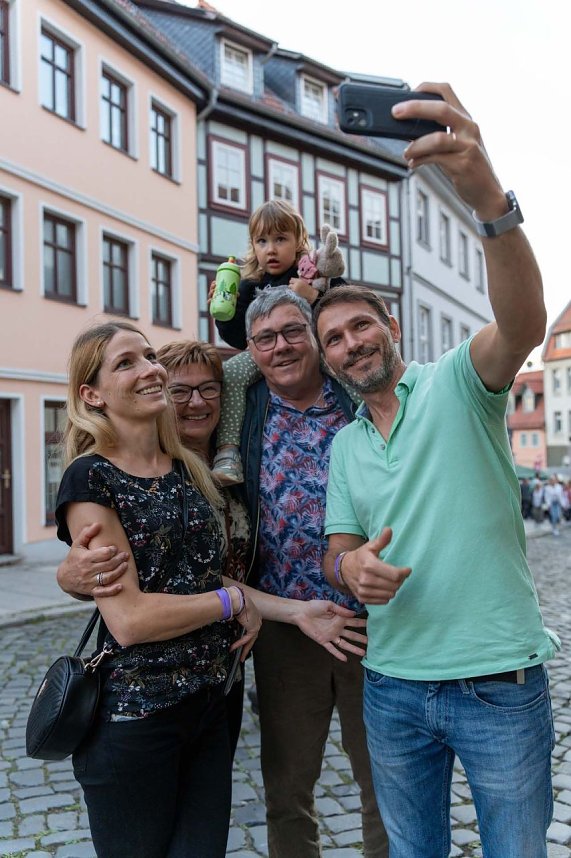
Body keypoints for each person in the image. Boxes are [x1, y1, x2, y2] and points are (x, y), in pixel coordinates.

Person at [314, 83, 561, 858]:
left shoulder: (459, 381)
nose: (351, 343)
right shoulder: (345, 446)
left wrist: (489, 202)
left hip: (498, 684)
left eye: (361, 326)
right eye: (334, 339)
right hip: (391, 687)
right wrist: (349, 566)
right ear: (326, 362)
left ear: (390, 328)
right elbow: (336, 548)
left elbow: (521, 321)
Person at [57, 339, 367, 772]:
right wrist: (69, 578)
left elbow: (205, 575)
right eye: (180, 391)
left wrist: (294, 611)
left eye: (210, 390)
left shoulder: (231, 460)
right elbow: (128, 597)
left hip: (223, 666)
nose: (195, 403)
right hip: (147, 687)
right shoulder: (115, 471)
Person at [56, 320, 262, 858]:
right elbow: (130, 619)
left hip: (209, 705)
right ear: (92, 394)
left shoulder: (186, 466)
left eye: (149, 357)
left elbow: (194, 574)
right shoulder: (90, 478)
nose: (149, 369)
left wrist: (260, 603)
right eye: (126, 363)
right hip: (137, 716)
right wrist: (231, 601)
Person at [239, 286, 388, 857]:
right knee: (287, 790)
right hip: (287, 628)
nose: (281, 346)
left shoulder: (358, 397)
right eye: (266, 338)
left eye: (293, 331)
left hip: (372, 624)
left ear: (315, 338)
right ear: (251, 352)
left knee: (384, 784)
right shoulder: (244, 411)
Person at [209, 199, 349, 485]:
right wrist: (225, 309)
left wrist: (314, 297)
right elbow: (237, 338)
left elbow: (346, 304)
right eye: (261, 241)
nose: (270, 249)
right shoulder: (249, 284)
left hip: (315, 350)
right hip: (263, 355)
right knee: (232, 372)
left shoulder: (312, 272)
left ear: (298, 241)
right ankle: (227, 452)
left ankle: (375, 421)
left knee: (347, 364)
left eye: (280, 239)